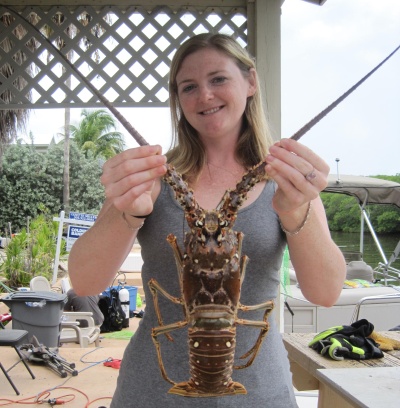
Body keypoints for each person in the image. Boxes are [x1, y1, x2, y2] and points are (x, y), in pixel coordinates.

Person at [68, 33, 346, 407]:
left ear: (250, 82)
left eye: (218, 79)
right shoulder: (153, 179)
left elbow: (325, 293)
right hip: (153, 394)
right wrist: (127, 213)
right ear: (178, 99)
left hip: (259, 395)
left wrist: (297, 211)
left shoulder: (286, 181)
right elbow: (85, 281)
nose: (205, 96)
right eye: (189, 87)